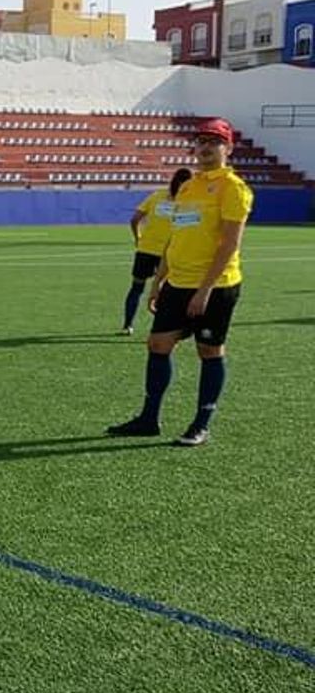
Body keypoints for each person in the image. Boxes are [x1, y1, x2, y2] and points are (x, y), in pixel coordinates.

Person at [107, 117, 253, 447]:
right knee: (158, 344)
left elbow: (230, 244)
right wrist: (160, 280)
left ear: (228, 148)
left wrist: (204, 290)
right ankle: (149, 418)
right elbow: (176, 236)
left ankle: (201, 423)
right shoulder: (187, 186)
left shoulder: (234, 188)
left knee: (209, 350)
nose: (205, 147)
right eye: (201, 140)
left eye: (214, 141)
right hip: (178, 282)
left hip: (215, 286)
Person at [120, 168, 191, 335]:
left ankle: (127, 325)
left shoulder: (157, 196)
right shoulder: (187, 201)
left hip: (146, 249)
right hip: (169, 253)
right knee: (167, 292)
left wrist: (138, 238)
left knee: (137, 287)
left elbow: (135, 219)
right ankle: (163, 329)